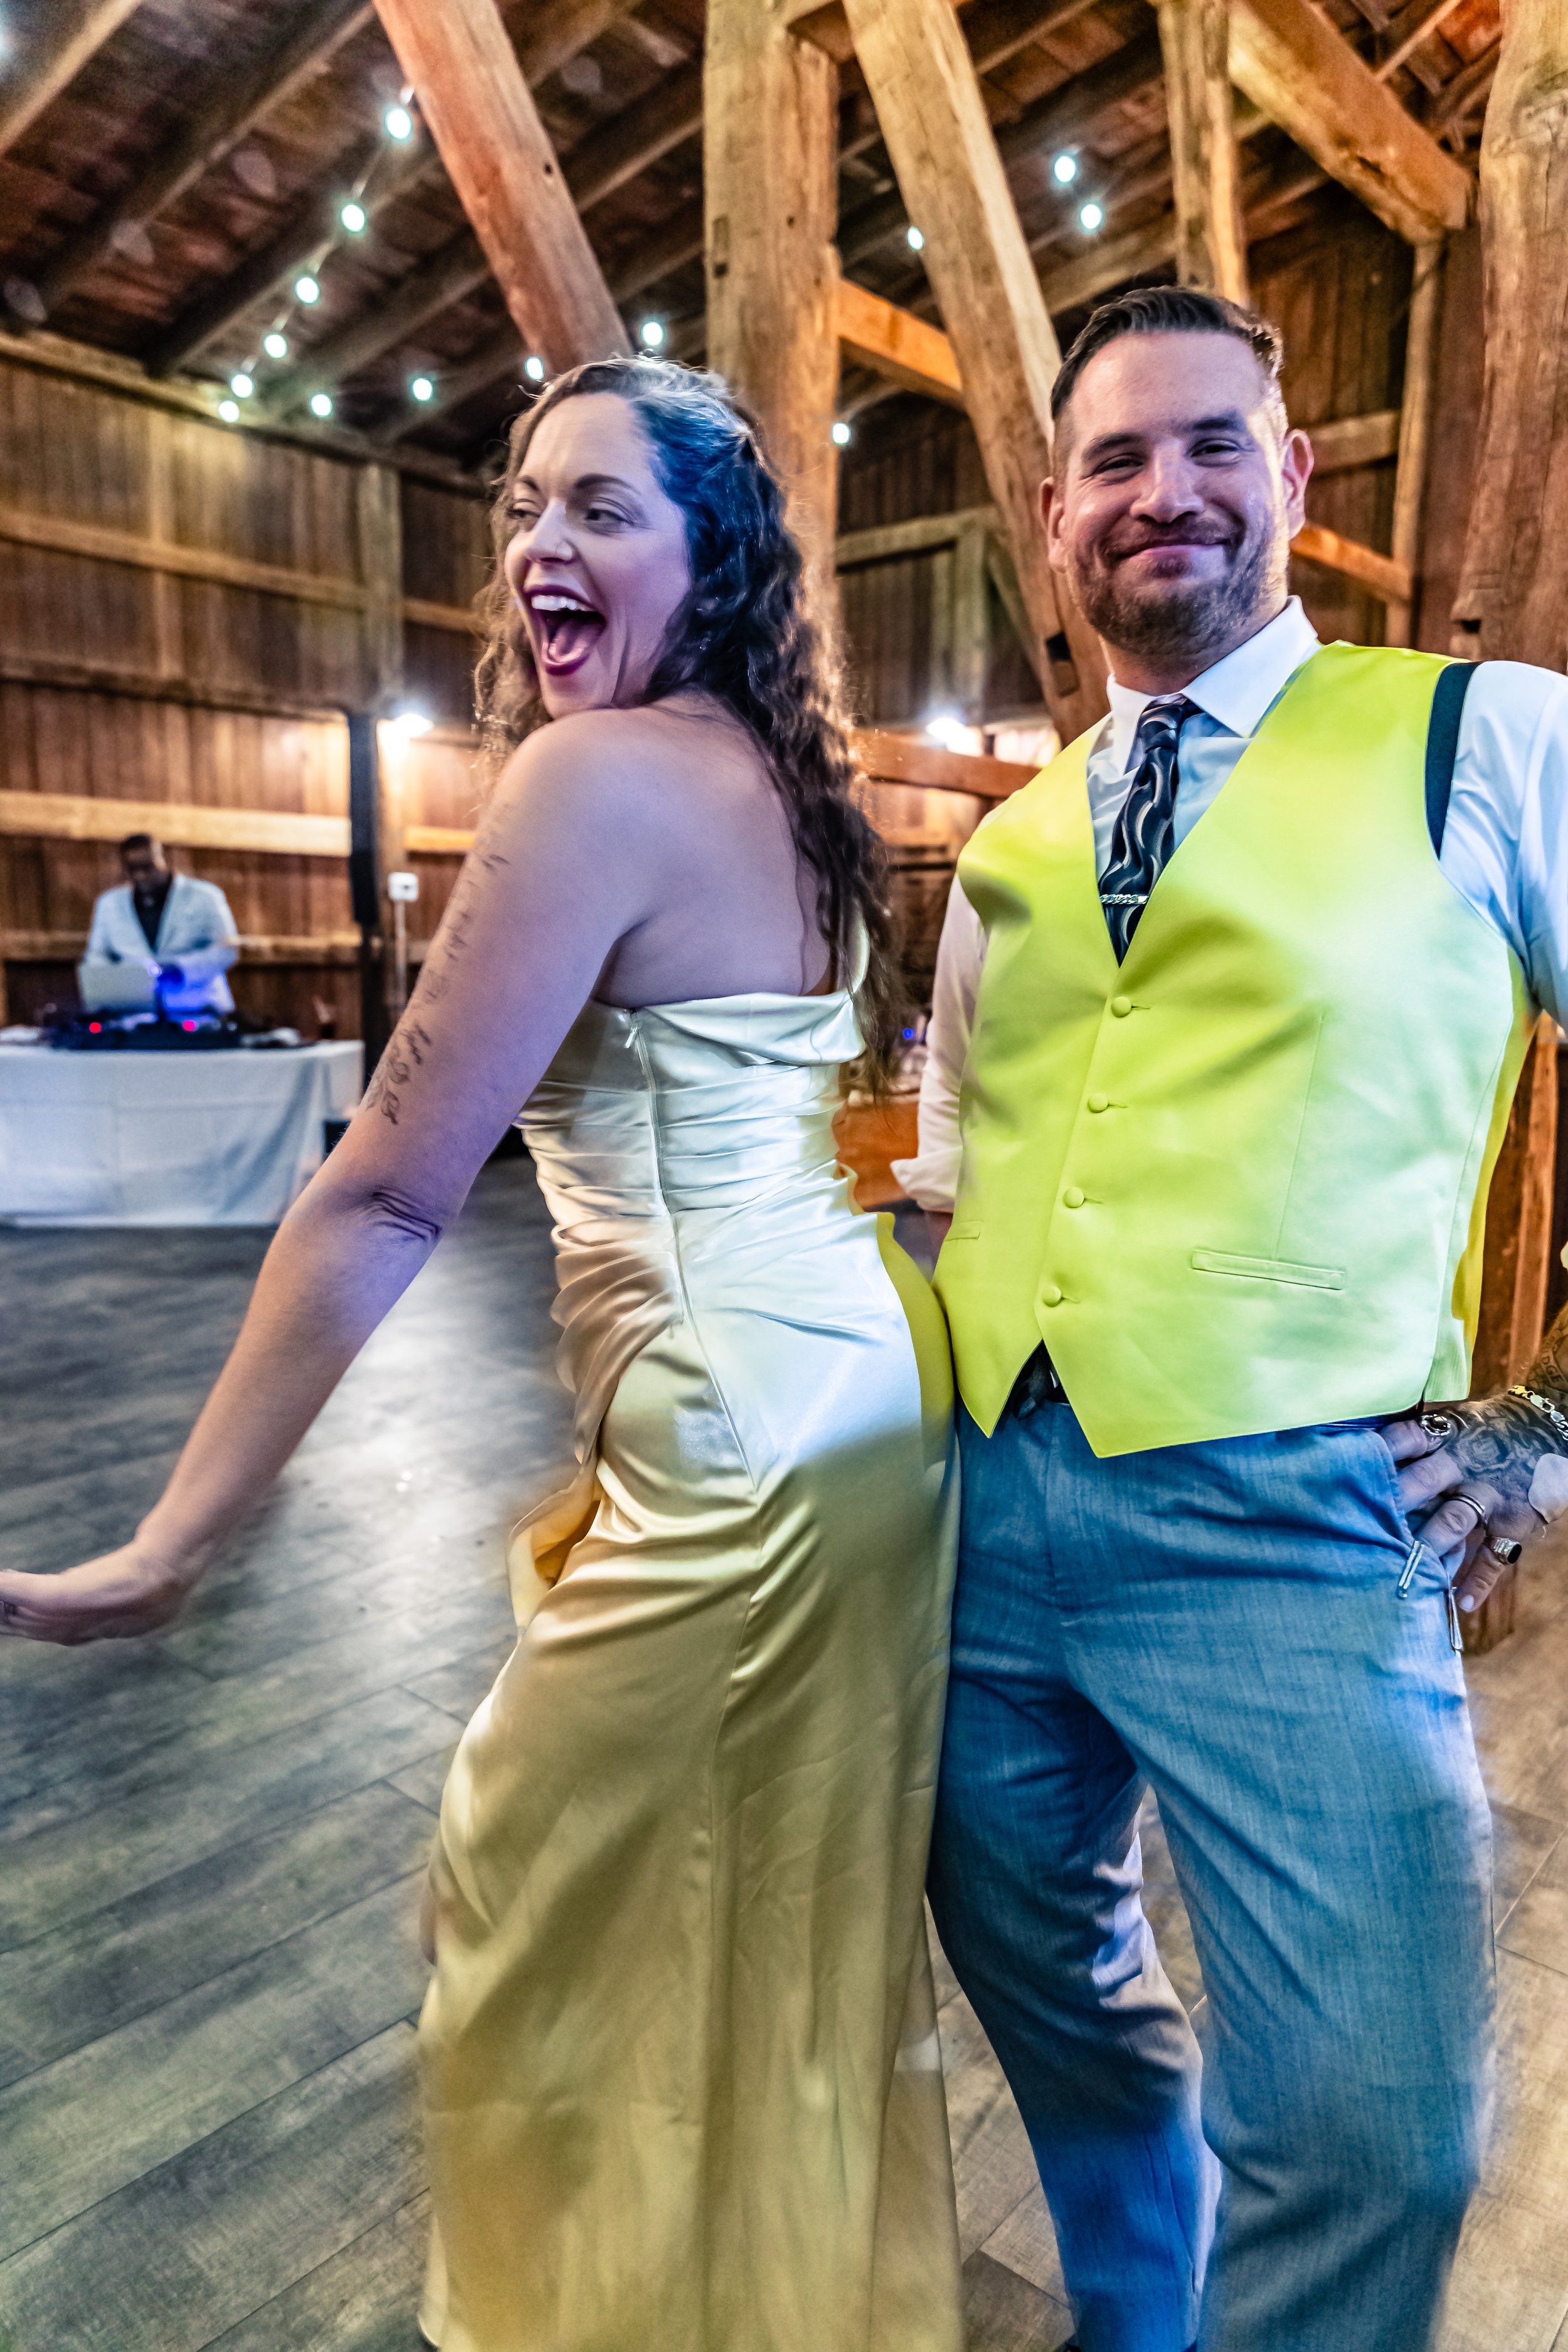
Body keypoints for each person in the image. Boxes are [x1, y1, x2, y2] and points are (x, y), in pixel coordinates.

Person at [0, 359, 963, 2352]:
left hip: (739, 1442)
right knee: (772, 1916)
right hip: (869, 1403)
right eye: (524, 504)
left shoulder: (589, 778)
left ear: (712, 553)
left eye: (601, 506)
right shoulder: (787, 785)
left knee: (521, 1894)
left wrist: (173, 1544)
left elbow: (382, 1191)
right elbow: (840, 1128)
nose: (540, 543)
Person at [909, 285, 1568, 2352]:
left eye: (1211, 443)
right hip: (978, 1514)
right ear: (1053, 516)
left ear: (1288, 476)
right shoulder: (1008, 842)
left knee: (1382, 2131)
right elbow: (953, 1167)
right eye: (1112, 458)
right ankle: (1144, 2314)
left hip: (1293, 1514)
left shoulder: (1486, 736)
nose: (1162, 490)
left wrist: (1551, 1425)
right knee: (1050, 1986)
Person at [78, 833, 240, 1016]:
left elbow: (226, 950)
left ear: (164, 860)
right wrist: (119, 981)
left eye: (148, 867)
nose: (141, 875)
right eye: (133, 869)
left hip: (199, 1007)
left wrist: (181, 969)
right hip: (137, 1012)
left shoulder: (205, 896)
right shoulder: (109, 903)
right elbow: (97, 954)